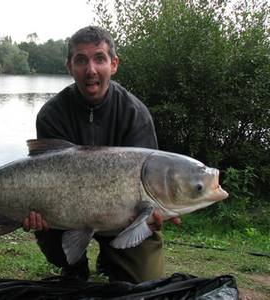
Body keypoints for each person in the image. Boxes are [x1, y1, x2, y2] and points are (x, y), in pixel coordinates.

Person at [22, 26, 180, 283]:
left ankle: (112, 257)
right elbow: (43, 171)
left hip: (123, 217)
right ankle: (74, 265)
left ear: (114, 64)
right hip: (67, 211)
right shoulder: (51, 114)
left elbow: (148, 191)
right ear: (69, 67)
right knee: (48, 223)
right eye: (81, 60)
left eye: (99, 59)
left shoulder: (135, 113)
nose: (91, 70)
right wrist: (34, 210)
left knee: (143, 279)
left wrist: (154, 214)